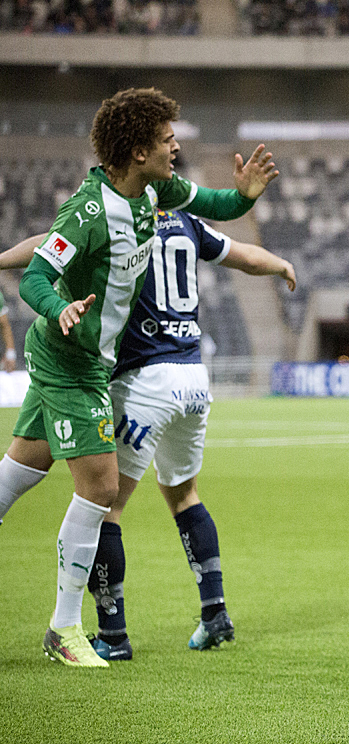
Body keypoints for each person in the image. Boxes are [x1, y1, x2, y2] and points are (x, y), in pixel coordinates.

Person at [0, 87, 278, 667]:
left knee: (20, 472)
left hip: (91, 361)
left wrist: (245, 196)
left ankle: (75, 627)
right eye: (166, 139)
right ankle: (64, 629)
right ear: (137, 152)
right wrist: (61, 308)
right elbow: (36, 280)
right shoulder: (88, 212)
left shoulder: (155, 190)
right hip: (71, 361)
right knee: (102, 490)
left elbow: (216, 203)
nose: (176, 147)